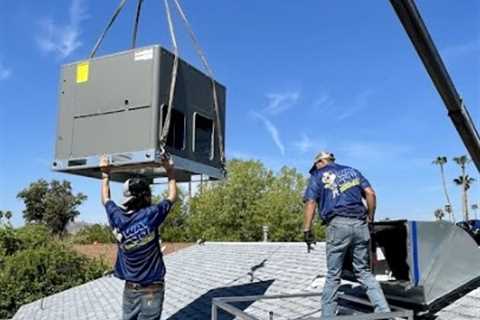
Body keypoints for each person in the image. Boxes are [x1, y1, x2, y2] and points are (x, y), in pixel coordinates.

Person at [303, 151, 390, 318]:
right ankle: (384, 313)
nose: (316, 168)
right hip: (360, 225)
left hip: (337, 226)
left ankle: (328, 316)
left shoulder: (318, 175)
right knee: (364, 272)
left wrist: (307, 230)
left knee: (333, 274)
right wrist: (370, 218)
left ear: (321, 162)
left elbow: (311, 202)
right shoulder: (353, 171)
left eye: (316, 165)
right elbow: (371, 194)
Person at [100, 155, 176, 320]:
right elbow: (172, 197)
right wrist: (169, 170)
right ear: (145, 196)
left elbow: (105, 199)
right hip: (152, 289)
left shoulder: (117, 217)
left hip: (130, 288)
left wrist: (105, 174)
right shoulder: (151, 215)